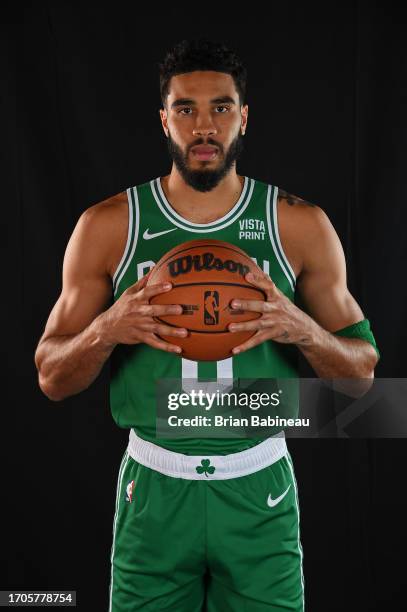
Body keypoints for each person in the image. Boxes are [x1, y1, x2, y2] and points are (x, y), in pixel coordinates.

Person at [34, 39, 379, 611]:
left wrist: (302, 329)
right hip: (154, 487)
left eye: (220, 107)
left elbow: (364, 379)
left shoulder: (297, 224)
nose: (204, 125)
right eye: (186, 108)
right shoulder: (108, 226)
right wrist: (107, 329)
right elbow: (51, 376)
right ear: (163, 119)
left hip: (258, 486)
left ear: (244, 117)